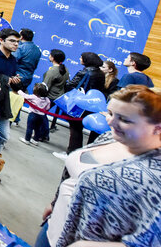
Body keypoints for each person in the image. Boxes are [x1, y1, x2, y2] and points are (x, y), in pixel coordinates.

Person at [36, 85, 161, 247]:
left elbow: (150, 240)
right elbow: (72, 175)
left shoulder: (155, 173)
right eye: (110, 113)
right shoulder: (110, 137)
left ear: (157, 128)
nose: (111, 121)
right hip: (53, 227)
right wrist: (54, 202)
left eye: (124, 119)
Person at [59, 52, 104, 156]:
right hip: (91, 105)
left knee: (75, 129)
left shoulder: (84, 72)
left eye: (81, 57)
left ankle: (71, 153)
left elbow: (70, 86)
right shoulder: (100, 73)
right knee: (77, 129)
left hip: (79, 105)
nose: (79, 59)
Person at [0, 28, 20, 154]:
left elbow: (10, 78)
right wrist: (6, 79)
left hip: (3, 101)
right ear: (1, 40)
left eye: (17, 42)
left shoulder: (13, 60)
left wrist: (15, 80)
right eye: (12, 41)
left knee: (3, 136)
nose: (16, 44)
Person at [43, 49, 69, 133]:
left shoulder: (53, 70)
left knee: (41, 115)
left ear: (53, 58)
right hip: (58, 96)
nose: (49, 56)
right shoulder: (65, 69)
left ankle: (42, 134)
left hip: (50, 97)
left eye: (50, 55)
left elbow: (45, 86)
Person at [12, 28, 42, 92]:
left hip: (17, 78)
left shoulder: (21, 48)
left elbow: (12, 61)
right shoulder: (37, 50)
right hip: (28, 79)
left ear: (21, 37)